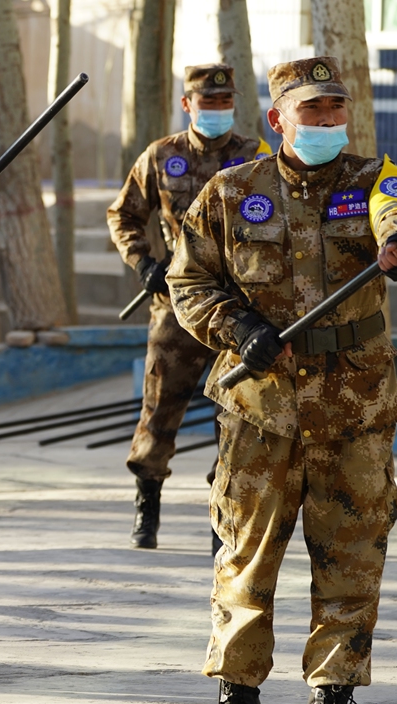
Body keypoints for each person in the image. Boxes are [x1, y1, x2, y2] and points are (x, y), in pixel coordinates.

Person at [168, 56, 397, 704]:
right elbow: (189, 282)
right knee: (247, 555)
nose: (327, 120)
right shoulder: (230, 191)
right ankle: (238, 689)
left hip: (355, 405)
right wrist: (238, 325)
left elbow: (396, 213)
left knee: (353, 550)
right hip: (262, 407)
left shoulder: (376, 179)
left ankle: (332, 691)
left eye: (335, 108)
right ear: (279, 118)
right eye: (312, 110)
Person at [107, 64, 271, 550]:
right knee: (161, 407)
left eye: (225, 102)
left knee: (237, 412)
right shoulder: (162, 156)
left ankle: (222, 517)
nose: (218, 110)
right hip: (176, 303)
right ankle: (147, 502)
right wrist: (142, 264)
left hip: (238, 309)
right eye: (208, 102)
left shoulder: (254, 156)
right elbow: (124, 214)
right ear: (188, 104)